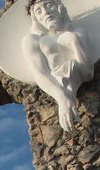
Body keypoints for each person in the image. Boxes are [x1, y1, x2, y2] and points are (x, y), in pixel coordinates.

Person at [22, 0, 94, 131]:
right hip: (57, 85)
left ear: (59, 8)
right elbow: (40, 73)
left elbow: (87, 73)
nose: (46, 12)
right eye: (39, 11)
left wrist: (75, 43)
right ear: (36, 19)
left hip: (75, 83)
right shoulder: (32, 40)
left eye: (49, 5)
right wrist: (62, 98)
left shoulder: (78, 33)